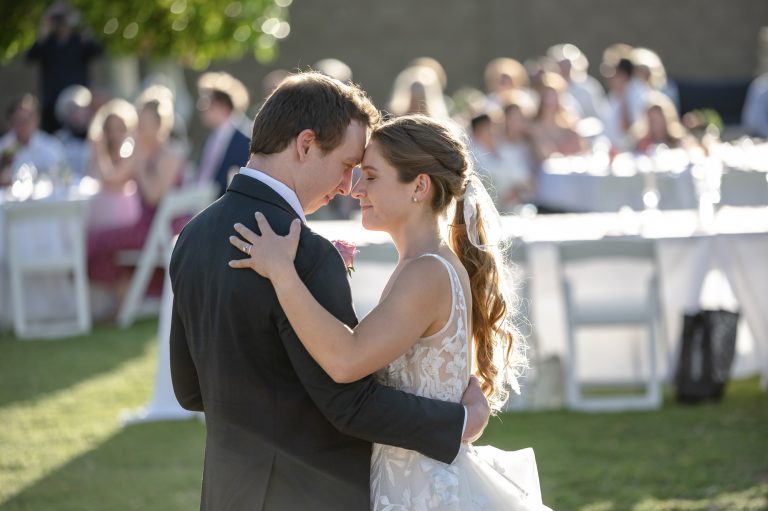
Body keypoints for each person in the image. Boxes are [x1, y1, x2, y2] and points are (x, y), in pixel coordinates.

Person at [169, 72, 491, 510]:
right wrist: (461, 421)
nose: (348, 187)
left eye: (364, 175)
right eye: (346, 166)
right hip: (311, 493)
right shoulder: (303, 252)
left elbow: (189, 388)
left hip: (229, 491)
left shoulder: (193, 235)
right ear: (305, 144)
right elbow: (349, 403)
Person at [229, 114, 550, 510]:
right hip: (405, 478)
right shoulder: (422, 264)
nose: (356, 188)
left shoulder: (427, 271)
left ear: (418, 186)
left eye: (372, 176)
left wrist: (281, 272)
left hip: (423, 490)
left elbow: (347, 360)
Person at [88, 86, 185, 317]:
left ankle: (123, 308)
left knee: (100, 242)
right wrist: (101, 151)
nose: (138, 129)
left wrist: (138, 163)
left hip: (164, 228)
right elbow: (111, 181)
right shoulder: (140, 152)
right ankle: (124, 306)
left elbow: (153, 195)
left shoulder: (169, 154)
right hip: (147, 226)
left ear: (160, 125)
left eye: (144, 123)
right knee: (96, 238)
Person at [26, 1, 102, 133]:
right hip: (52, 102)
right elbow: (30, 57)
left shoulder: (79, 40)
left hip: (78, 101)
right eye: (57, 18)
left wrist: (82, 26)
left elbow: (97, 52)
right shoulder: (47, 42)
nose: (61, 23)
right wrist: (44, 27)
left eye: (63, 18)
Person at [86, 98, 141, 230]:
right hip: (100, 209)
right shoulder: (100, 150)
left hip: (123, 214)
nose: (114, 134)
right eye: (110, 129)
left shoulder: (132, 150)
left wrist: (100, 152)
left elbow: (110, 179)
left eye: (119, 128)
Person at [196, 71, 251, 197]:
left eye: (207, 101)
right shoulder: (209, 139)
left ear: (223, 105)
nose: (201, 107)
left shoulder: (243, 140)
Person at [0, 94, 65, 186]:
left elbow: (60, 176)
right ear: (11, 121)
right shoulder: (3, 147)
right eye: (19, 120)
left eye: (28, 120)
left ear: (37, 120)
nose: (23, 125)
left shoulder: (51, 146)